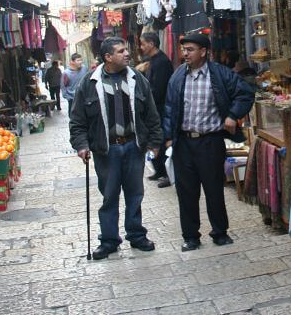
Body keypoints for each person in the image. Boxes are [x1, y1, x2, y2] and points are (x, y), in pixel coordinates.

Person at [69, 37, 163, 260]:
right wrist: (81, 145)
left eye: (126, 50)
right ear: (108, 57)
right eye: (121, 51)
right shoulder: (89, 83)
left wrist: (155, 141)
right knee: (109, 196)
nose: (127, 54)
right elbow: (77, 120)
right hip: (106, 150)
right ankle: (109, 240)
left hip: (133, 146)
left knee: (135, 194)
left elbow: (151, 113)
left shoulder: (137, 79)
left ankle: (137, 235)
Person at [163, 33, 254, 251]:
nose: (185, 54)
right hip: (184, 142)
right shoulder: (178, 76)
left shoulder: (220, 74)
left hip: (210, 141)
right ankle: (190, 236)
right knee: (186, 192)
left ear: (203, 52)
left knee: (214, 189)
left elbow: (245, 93)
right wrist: (167, 137)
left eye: (190, 49)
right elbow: (169, 108)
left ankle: (220, 232)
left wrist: (233, 115)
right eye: (184, 49)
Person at [137, 33, 174, 188]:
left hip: (161, 107)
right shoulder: (152, 60)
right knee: (154, 138)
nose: (141, 47)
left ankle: (167, 173)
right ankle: (159, 170)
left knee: (162, 139)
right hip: (154, 107)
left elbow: (159, 88)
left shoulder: (162, 62)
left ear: (151, 44)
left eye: (143, 44)